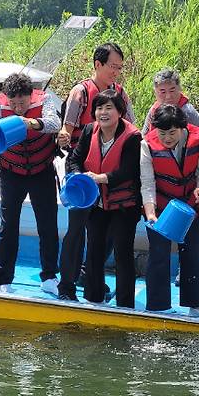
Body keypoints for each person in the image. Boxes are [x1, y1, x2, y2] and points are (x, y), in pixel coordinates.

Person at [55, 42, 135, 301]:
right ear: (98, 65)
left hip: (111, 181)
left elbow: (130, 132)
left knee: (106, 237)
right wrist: (66, 142)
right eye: (113, 66)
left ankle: (93, 281)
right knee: (76, 233)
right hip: (83, 177)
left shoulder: (121, 94)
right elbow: (68, 129)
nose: (116, 72)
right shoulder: (81, 93)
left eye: (120, 68)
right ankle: (66, 287)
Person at [0, 73, 60, 294]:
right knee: (8, 226)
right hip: (11, 173)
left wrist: (31, 122)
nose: (17, 107)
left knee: (47, 225)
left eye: (22, 102)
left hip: (41, 171)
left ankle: (50, 276)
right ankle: (4, 278)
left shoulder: (44, 100)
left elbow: (55, 123)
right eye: (13, 103)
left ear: (30, 96)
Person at [67, 89, 141, 308]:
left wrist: (101, 178)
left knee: (122, 252)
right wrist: (79, 175)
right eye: (99, 108)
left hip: (124, 205)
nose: (103, 112)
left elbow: (129, 171)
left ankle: (125, 304)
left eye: (109, 108)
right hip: (96, 203)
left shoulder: (132, 137)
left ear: (120, 112)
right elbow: (74, 159)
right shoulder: (89, 130)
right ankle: (93, 298)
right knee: (95, 250)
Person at [141, 104, 199, 313]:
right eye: (162, 133)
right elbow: (147, 183)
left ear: (182, 128)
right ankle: (157, 306)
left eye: (172, 133)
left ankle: (195, 305)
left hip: (189, 206)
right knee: (159, 254)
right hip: (160, 208)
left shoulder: (196, 139)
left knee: (191, 254)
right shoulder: (147, 145)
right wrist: (150, 213)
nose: (167, 138)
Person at [141, 68, 199, 175]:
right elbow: (144, 136)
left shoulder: (187, 113)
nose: (168, 96)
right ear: (155, 92)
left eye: (172, 90)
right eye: (162, 92)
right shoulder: (154, 110)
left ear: (179, 89)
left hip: (186, 170)